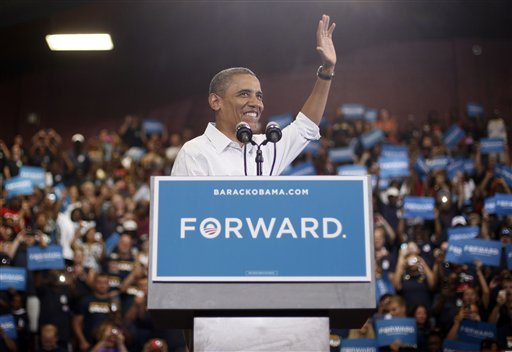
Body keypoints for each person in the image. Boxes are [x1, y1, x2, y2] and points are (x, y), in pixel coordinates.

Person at [171, 14, 336, 176]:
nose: (256, 103)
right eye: (244, 94)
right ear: (215, 101)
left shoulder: (266, 148)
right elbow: (185, 204)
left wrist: (327, 71)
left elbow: (305, 126)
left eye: (259, 96)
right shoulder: (195, 153)